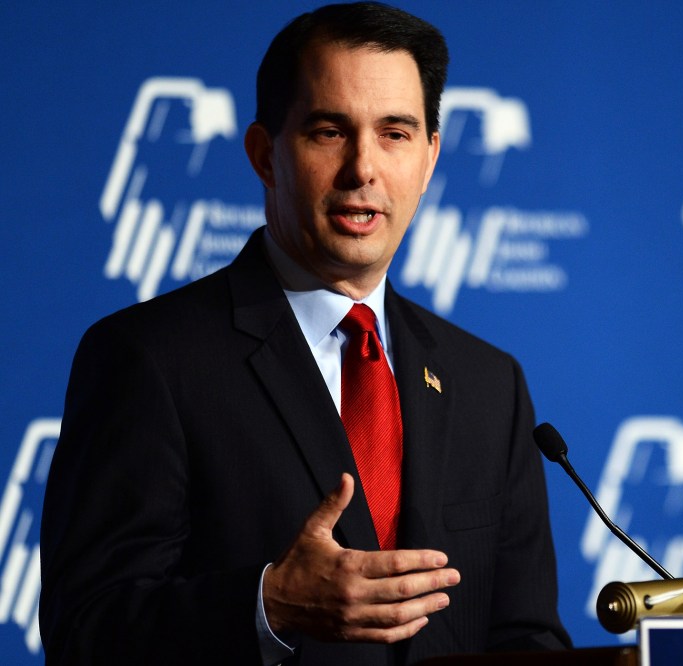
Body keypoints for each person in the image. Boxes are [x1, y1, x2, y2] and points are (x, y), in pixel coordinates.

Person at [39, 3, 570, 664]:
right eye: (328, 131)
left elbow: (526, 639)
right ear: (266, 155)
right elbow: (84, 633)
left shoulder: (490, 383)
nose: (363, 170)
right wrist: (270, 606)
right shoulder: (150, 359)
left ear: (430, 158)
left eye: (395, 134)